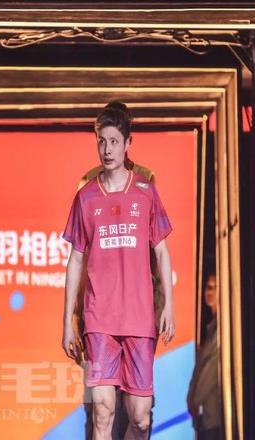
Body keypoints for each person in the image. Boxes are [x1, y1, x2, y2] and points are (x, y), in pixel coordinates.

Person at [61, 101, 175, 440]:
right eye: (102, 141)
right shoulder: (85, 197)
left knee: (140, 418)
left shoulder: (146, 191)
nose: (107, 149)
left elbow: (162, 251)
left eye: (114, 141)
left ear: (128, 143)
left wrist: (169, 305)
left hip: (139, 319)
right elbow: (75, 260)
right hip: (99, 320)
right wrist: (67, 321)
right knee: (102, 411)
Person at [187, 273, 222, 439]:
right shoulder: (211, 328)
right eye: (208, 287)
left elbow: (210, 371)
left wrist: (195, 400)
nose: (210, 292)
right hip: (206, 415)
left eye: (215, 288)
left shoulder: (221, 331)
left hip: (213, 415)